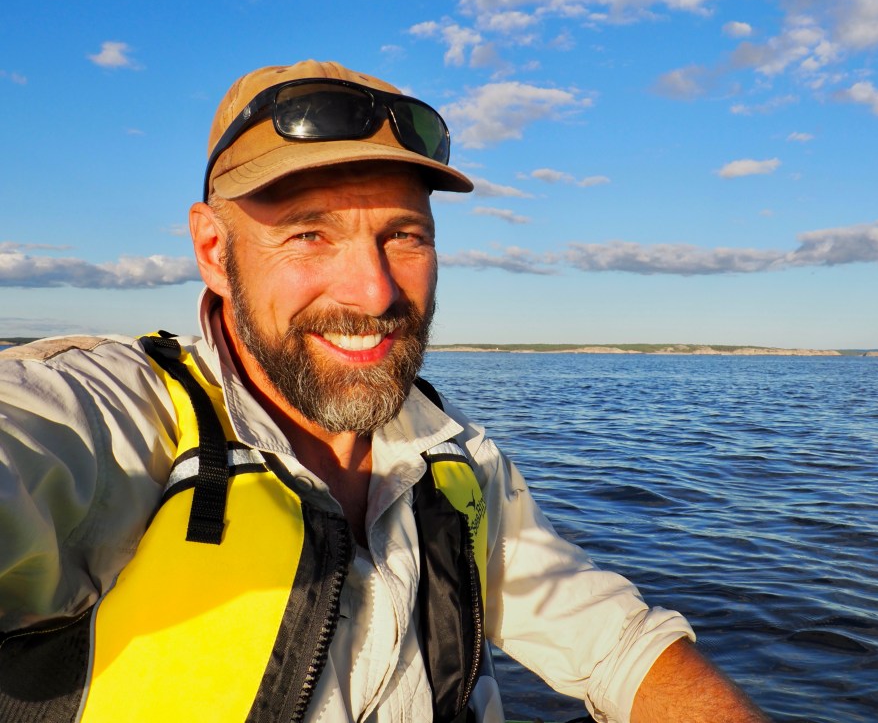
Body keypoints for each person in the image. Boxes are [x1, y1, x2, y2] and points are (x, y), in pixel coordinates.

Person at [0, 59, 768, 722]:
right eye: (309, 233)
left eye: (404, 235)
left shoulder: (456, 460)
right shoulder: (118, 421)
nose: (373, 292)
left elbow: (616, 646)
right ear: (212, 249)